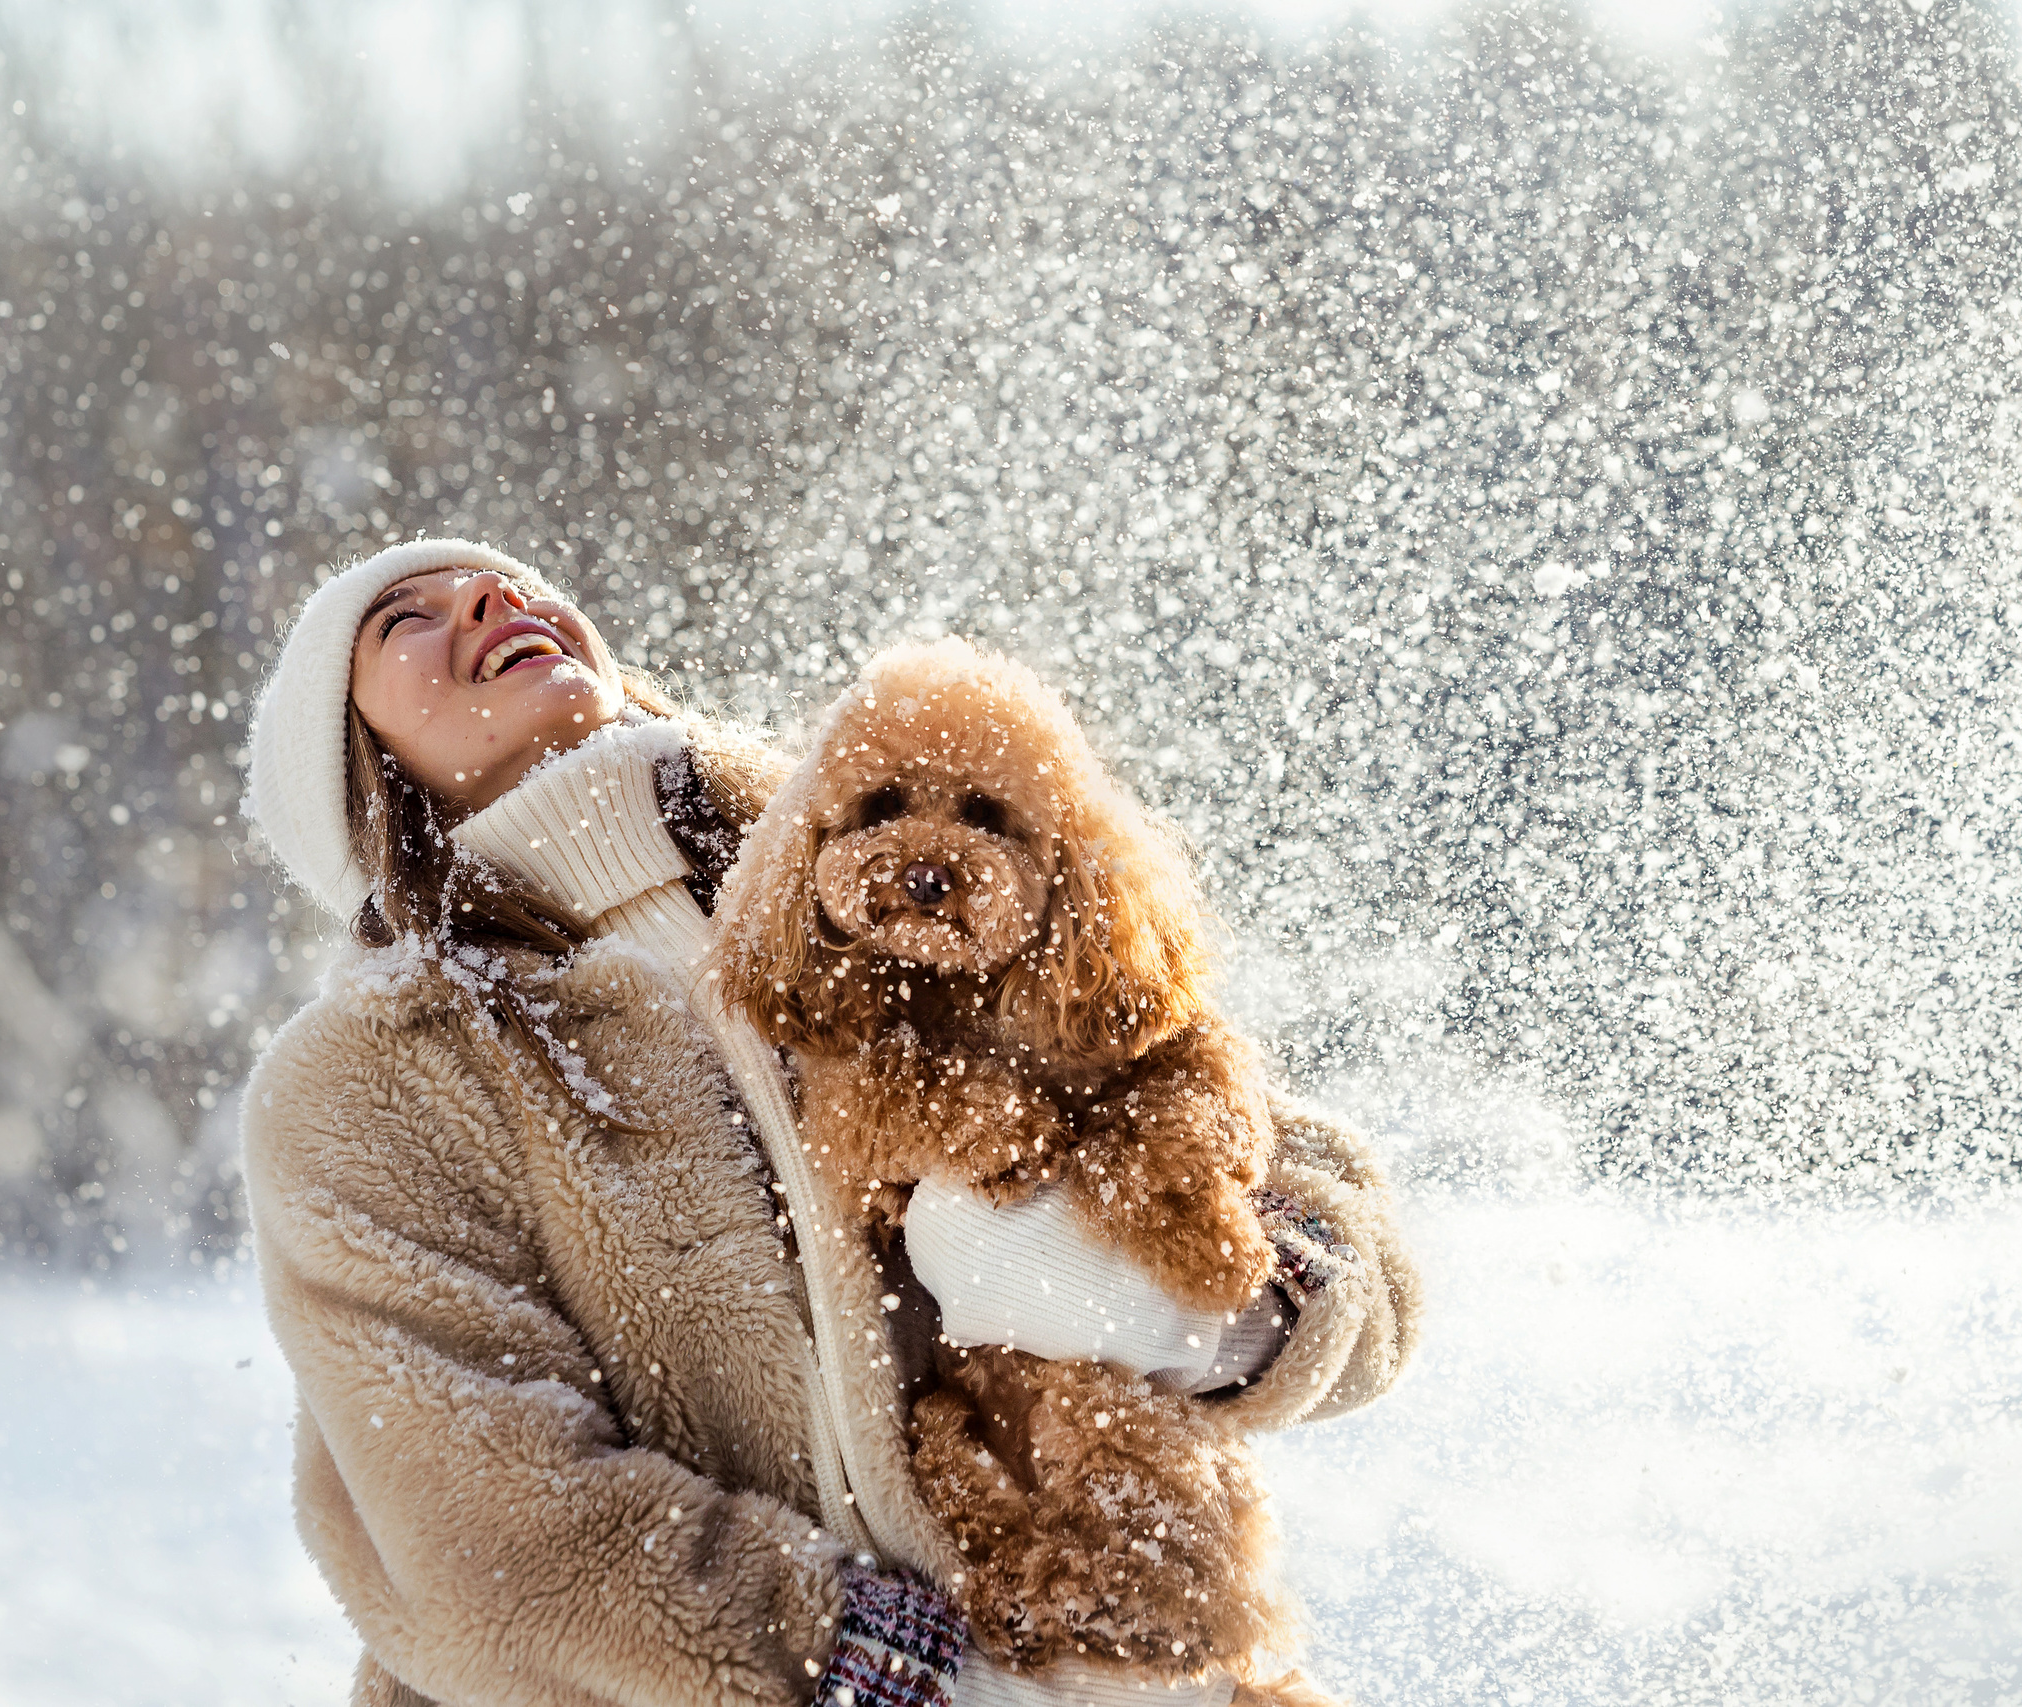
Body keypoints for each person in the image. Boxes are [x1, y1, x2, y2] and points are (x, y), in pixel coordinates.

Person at [239, 539, 1420, 1707]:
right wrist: (866, 1663)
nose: (494, 597)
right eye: (405, 619)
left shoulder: (888, 842)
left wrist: (1222, 1316)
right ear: (352, 773)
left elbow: (1290, 1171)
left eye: (507, 580)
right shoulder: (370, 1082)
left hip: (1118, 1661)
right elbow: (479, 1523)